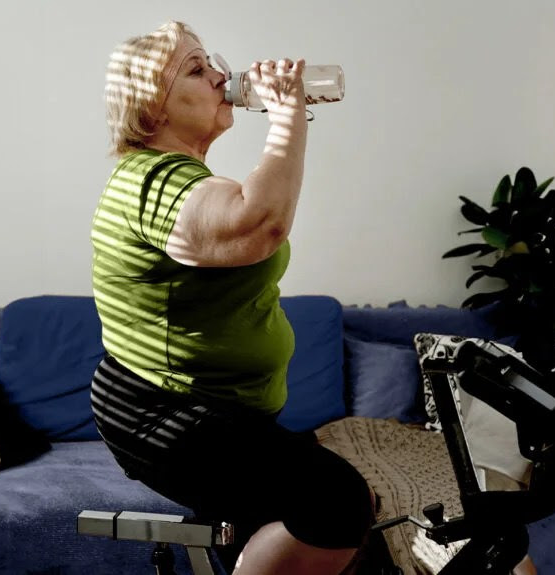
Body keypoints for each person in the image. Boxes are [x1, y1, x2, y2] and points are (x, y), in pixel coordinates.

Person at [89, 20, 372, 575]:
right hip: (165, 413)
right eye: (196, 70)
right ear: (153, 107)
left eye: (211, 61)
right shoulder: (152, 180)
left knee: (290, 527)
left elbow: (252, 219)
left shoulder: (183, 177)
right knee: (338, 503)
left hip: (215, 409)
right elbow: (254, 225)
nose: (221, 75)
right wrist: (288, 115)